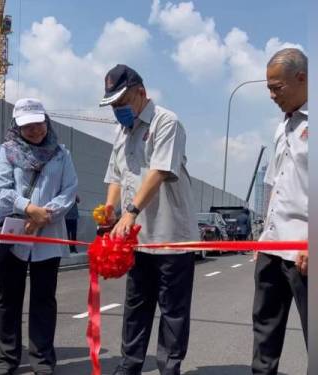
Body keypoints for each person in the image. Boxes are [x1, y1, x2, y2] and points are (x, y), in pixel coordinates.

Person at [99, 64, 199, 375]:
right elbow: (116, 175)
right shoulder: (122, 132)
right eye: (113, 105)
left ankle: (169, 368)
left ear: (141, 93)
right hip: (137, 240)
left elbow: (158, 171)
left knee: (173, 311)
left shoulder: (166, 122)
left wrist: (130, 212)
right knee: (136, 307)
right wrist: (111, 208)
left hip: (171, 237)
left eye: (122, 102)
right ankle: (130, 365)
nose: (118, 110)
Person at [0, 98, 78, 375]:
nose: (35, 130)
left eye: (39, 124)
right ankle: (5, 358)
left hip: (48, 237)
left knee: (44, 300)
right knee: (8, 298)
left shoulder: (62, 154)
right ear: (17, 127)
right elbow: (0, 190)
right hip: (14, 235)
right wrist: (29, 209)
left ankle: (42, 359)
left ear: (46, 121)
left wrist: (45, 215)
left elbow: (69, 190)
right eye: (28, 126)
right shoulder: (7, 152)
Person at [251, 48, 308, 375]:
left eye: (277, 87)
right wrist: (264, 236)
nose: (272, 95)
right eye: (269, 88)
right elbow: (275, 185)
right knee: (264, 331)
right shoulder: (283, 127)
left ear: (301, 79)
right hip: (274, 248)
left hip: (306, 251)